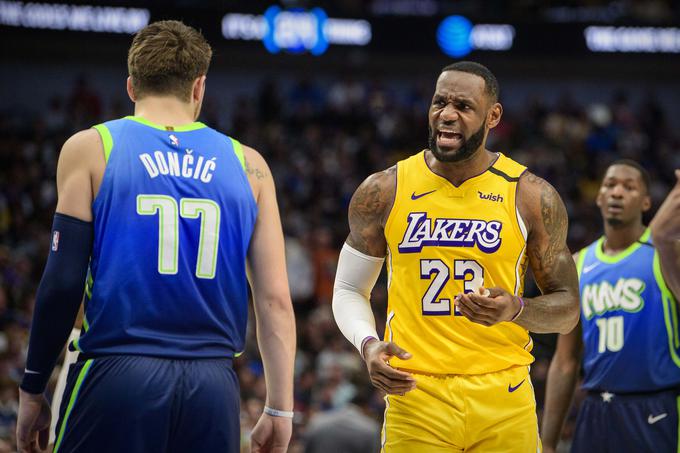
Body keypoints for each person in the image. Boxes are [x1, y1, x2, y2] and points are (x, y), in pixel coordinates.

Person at [16, 20, 295, 453]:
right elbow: (275, 299)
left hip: (117, 374)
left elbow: (63, 280)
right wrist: (280, 408)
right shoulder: (251, 165)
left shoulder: (91, 147)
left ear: (131, 86)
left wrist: (33, 386)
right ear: (198, 87)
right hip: (213, 385)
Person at [332, 60, 580, 452]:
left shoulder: (531, 195)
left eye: (463, 106)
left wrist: (516, 308)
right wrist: (369, 344)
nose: (446, 115)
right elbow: (347, 288)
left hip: (505, 393)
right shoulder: (384, 189)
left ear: (493, 115)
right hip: (416, 394)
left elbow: (568, 310)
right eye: (439, 103)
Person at [542, 162, 680, 453]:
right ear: (599, 196)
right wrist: (548, 442)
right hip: (596, 409)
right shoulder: (579, 264)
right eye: (610, 185)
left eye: (629, 187)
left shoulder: (665, 253)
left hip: (657, 405)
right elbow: (566, 361)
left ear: (646, 201)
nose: (617, 192)